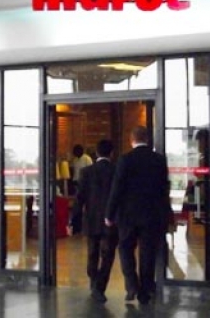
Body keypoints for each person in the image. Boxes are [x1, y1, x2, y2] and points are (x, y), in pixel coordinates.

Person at [105, 126, 172, 305]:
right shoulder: (159, 160)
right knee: (147, 252)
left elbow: (117, 188)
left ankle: (132, 284)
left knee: (125, 248)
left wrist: (109, 214)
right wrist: (166, 214)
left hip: (128, 215)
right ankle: (145, 291)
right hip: (151, 214)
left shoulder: (125, 160)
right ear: (147, 139)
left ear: (131, 140)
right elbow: (164, 189)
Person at [71, 139, 119, 303]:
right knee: (108, 255)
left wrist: (74, 221)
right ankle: (100, 287)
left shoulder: (86, 172)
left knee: (92, 252)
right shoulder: (116, 171)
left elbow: (79, 199)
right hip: (111, 220)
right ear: (112, 153)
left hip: (91, 219)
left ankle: (93, 280)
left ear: (96, 153)